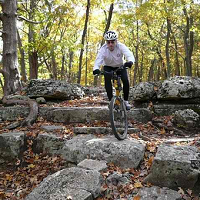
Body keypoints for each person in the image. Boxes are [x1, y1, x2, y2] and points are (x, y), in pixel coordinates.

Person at [93, 30, 135, 110]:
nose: (110, 44)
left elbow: (129, 54)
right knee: (107, 81)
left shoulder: (121, 46)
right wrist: (96, 69)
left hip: (120, 66)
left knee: (125, 80)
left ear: (116, 41)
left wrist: (130, 62)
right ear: (106, 42)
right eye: (108, 42)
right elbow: (98, 60)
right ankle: (111, 101)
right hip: (108, 67)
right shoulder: (103, 49)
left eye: (112, 42)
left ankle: (126, 101)